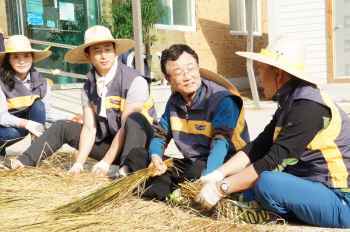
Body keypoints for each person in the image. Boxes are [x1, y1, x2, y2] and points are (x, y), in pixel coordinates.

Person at [194, 36, 350, 228]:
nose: (258, 78)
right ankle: (270, 208)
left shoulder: (308, 107)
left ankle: (270, 212)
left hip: (340, 196)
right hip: (312, 182)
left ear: (278, 73)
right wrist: (218, 175)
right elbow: (258, 147)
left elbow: (274, 161)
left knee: (267, 182)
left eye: (260, 69)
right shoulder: (290, 101)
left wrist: (220, 189)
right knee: (249, 178)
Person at [7, 26, 158, 178]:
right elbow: (89, 128)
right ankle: (22, 162)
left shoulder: (135, 81)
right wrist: (79, 164)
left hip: (143, 148)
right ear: (88, 56)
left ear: (115, 50)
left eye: (107, 49)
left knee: (133, 118)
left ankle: (124, 173)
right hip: (115, 146)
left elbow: (127, 127)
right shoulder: (88, 87)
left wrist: (105, 162)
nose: (103, 55)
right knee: (62, 127)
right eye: (97, 51)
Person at [127, 44, 250, 201]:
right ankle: (179, 193)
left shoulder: (223, 99)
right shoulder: (174, 102)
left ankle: (171, 190)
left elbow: (221, 144)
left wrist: (209, 179)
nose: (187, 76)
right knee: (137, 156)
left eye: (191, 69)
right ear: (168, 79)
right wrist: (155, 158)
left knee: (195, 170)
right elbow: (160, 137)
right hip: (192, 163)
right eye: (178, 73)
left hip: (223, 165)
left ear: (198, 68)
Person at [0, 35, 75, 157]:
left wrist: (69, 118)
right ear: (8, 59)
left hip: (23, 125)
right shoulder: (1, 82)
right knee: (10, 134)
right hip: (5, 127)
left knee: (38, 105)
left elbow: (47, 112)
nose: (22, 61)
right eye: (15, 57)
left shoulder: (41, 82)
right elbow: (2, 117)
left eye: (26, 56)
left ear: (32, 58)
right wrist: (28, 124)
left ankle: (35, 154)